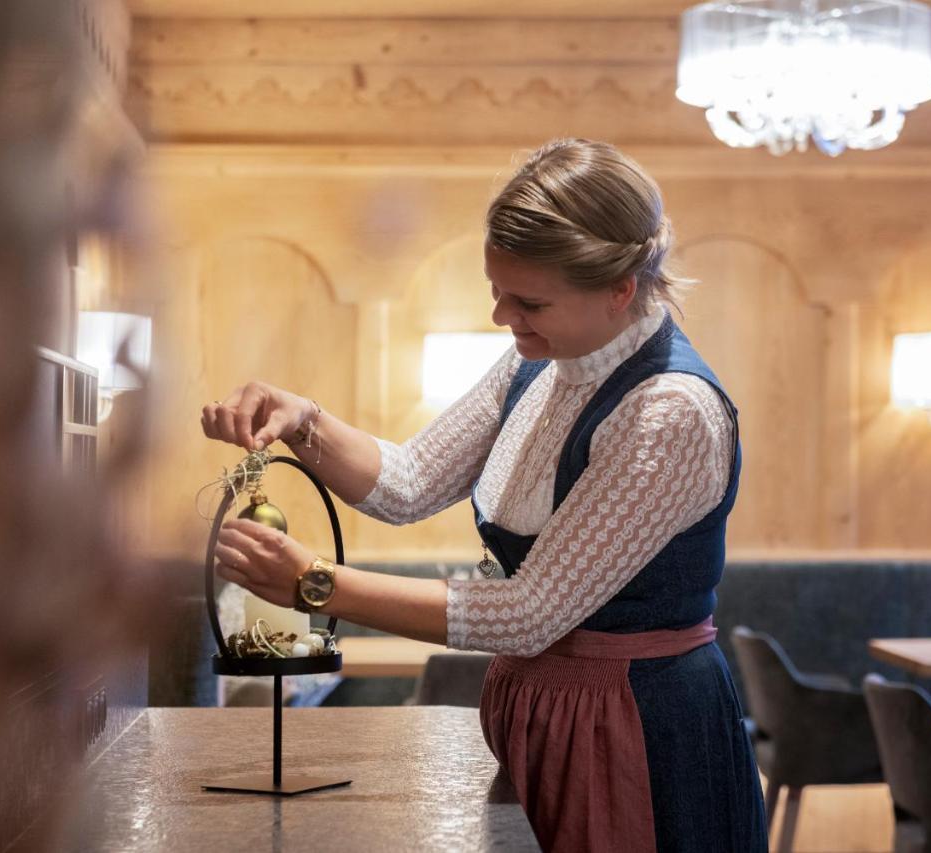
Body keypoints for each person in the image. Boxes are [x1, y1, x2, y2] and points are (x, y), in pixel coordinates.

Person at [202, 138, 768, 852]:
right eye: (497, 289)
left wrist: (315, 583)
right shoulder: (541, 358)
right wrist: (302, 420)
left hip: (634, 727)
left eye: (529, 300)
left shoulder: (669, 411)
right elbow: (408, 483)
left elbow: (529, 613)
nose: (503, 315)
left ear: (620, 288)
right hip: (543, 710)